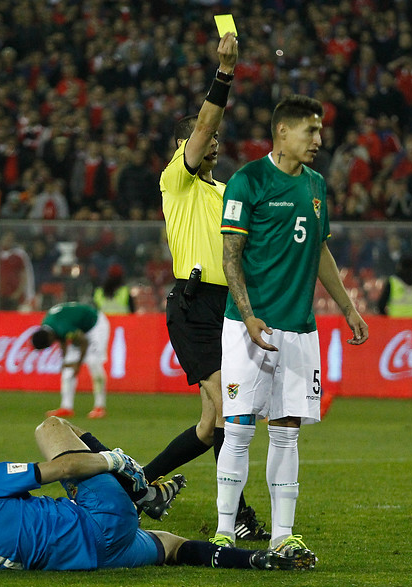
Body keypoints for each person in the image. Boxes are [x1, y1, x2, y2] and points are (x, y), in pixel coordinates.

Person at [214, 95, 369, 555]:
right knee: (239, 428)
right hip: (248, 327)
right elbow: (230, 257)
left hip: (299, 328)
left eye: (320, 132)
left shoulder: (317, 185)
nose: (319, 141)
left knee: (286, 431)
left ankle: (283, 534)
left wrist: (348, 307)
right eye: (311, 132)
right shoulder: (248, 181)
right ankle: (225, 528)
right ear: (283, 133)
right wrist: (247, 315)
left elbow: (319, 250)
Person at [0, 416, 315, 571]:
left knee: (171, 547)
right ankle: (142, 494)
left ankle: (257, 561)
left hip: (93, 558)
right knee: (52, 428)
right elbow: (62, 468)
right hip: (100, 519)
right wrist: (114, 460)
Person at [151, 31, 267, 540]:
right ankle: (236, 516)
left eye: (217, 140)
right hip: (193, 303)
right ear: (183, 148)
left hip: (228, 306)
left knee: (209, 423)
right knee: (228, 407)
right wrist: (224, 74)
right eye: (202, 138)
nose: (211, 142)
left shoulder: (225, 191)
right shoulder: (175, 179)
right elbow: (202, 127)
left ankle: (139, 482)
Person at [31, 302, 110, 420]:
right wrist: (65, 360)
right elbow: (61, 338)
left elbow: (83, 342)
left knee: (94, 362)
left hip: (95, 325)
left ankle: (99, 407)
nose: (52, 345)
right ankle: (66, 407)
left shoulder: (61, 327)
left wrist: (78, 365)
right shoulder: (49, 327)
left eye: (49, 345)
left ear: (49, 338)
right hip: (78, 326)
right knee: (68, 368)